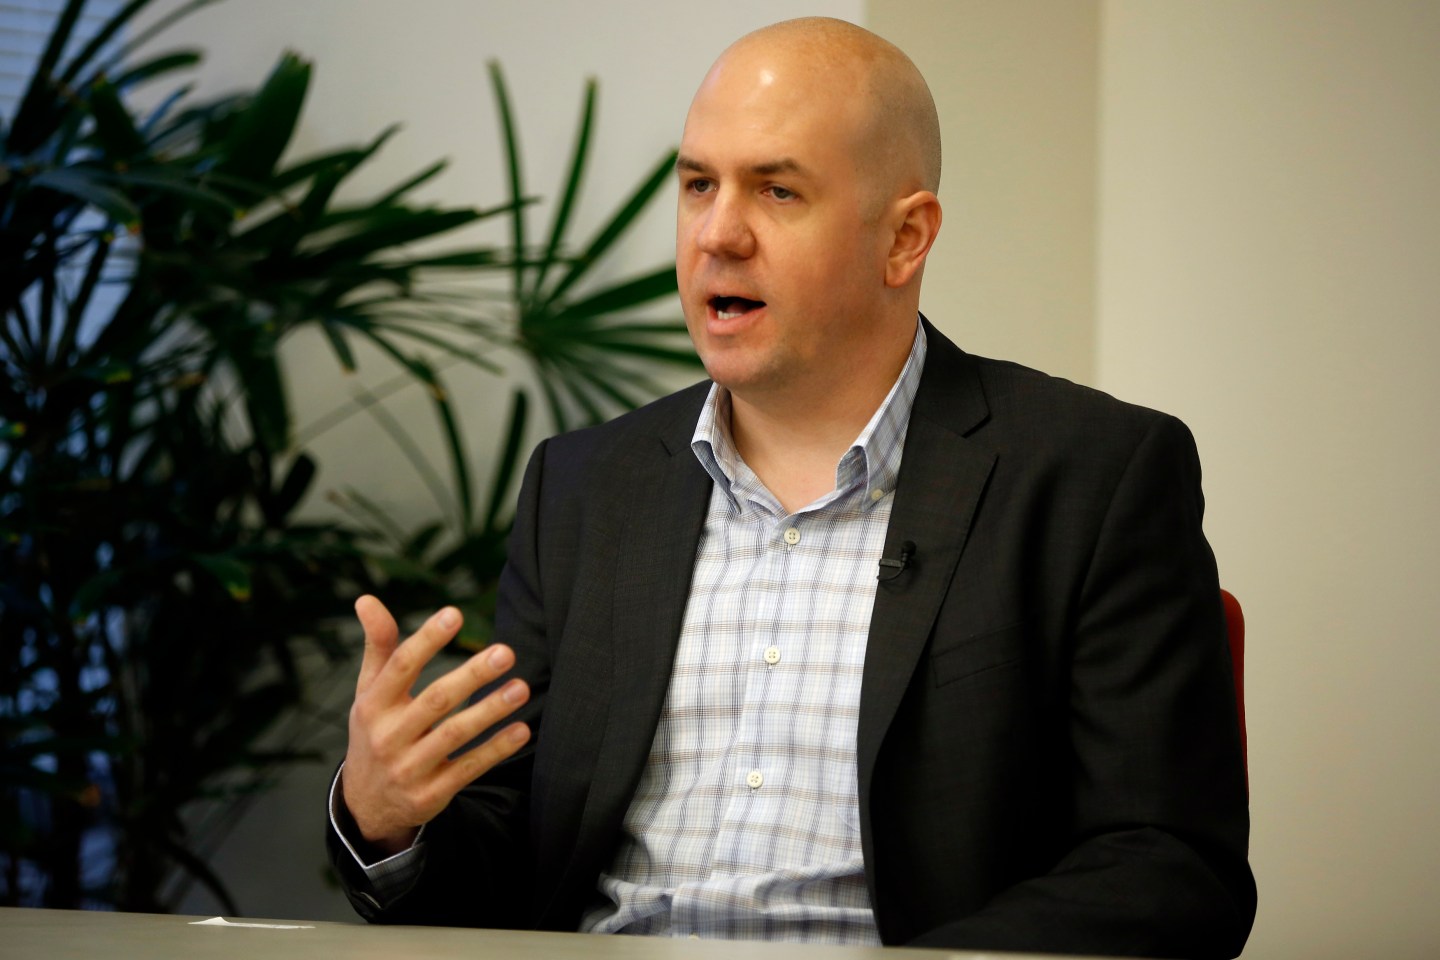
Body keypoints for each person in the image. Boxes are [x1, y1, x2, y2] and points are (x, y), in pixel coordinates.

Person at [327, 17, 1255, 958]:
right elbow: (518, 859)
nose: (719, 235)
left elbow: (1170, 866)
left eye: (777, 190)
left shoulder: (1092, 475)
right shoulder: (584, 486)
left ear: (905, 238)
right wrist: (391, 821)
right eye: (698, 186)